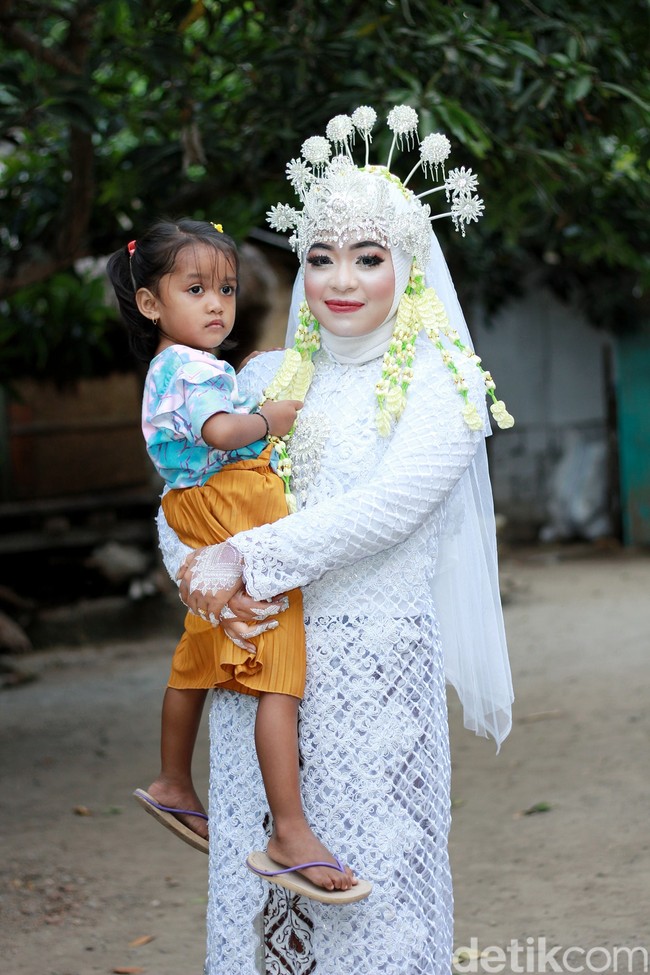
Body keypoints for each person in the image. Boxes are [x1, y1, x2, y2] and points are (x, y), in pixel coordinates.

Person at [157, 106, 514, 974]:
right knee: (265, 908)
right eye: (320, 257)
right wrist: (199, 578)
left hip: (373, 675)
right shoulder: (263, 378)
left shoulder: (445, 383)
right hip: (254, 667)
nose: (340, 280)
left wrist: (246, 558)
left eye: (368, 257)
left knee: (376, 886)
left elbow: (392, 507)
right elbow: (184, 493)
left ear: (409, 266)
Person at [107, 219, 362, 897]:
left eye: (226, 288)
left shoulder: (176, 367)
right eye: (195, 289)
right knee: (278, 674)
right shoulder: (191, 367)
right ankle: (290, 829)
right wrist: (270, 419)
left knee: (196, 658)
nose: (217, 304)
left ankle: (173, 780)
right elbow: (222, 432)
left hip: (202, 509)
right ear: (151, 303)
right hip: (232, 509)